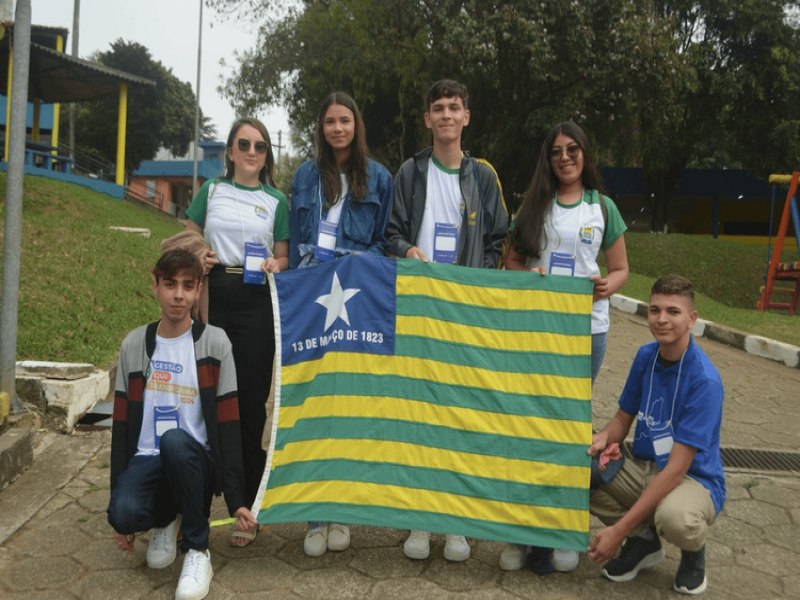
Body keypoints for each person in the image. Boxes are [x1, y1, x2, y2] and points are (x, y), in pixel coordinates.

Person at [386, 78, 508, 562]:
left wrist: (476, 279)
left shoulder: (483, 176)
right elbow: (391, 234)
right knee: (419, 412)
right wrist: (407, 250)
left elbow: (500, 237)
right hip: (417, 309)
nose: (445, 115)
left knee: (459, 412)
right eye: (437, 108)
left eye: (454, 107)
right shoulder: (409, 173)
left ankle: (455, 521)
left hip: (464, 314)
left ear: (466, 117)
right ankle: (418, 517)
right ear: (427, 119)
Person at [501, 121, 629, 573]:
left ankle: (562, 532)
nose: (565, 158)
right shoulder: (534, 206)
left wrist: (604, 287)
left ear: (584, 154)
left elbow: (620, 269)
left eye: (573, 149)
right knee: (528, 427)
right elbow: (513, 262)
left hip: (585, 329)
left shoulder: (603, 207)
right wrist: (527, 277)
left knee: (570, 430)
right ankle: (519, 534)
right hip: (536, 328)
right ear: (548, 160)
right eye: (556, 152)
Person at [107, 249, 257, 600]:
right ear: (155, 286)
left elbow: (229, 422)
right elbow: (121, 427)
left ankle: (197, 549)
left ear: (198, 290)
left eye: (188, 286)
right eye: (170, 284)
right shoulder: (134, 345)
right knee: (123, 512)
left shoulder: (215, 342)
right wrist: (117, 495)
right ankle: (168, 518)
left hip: (195, 459)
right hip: (148, 458)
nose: (178, 295)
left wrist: (237, 500)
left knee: (175, 441)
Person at [289, 92, 393, 557]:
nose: (337, 128)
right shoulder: (306, 176)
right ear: (321, 127)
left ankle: (345, 508)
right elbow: (293, 242)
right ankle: (315, 516)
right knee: (313, 400)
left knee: (351, 401)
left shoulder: (380, 178)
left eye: (344, 120)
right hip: (312, 299)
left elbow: (385, 243)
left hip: (355, 301)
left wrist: (350, 259)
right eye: (329, 121)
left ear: (357, 125)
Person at [185, 117, 289, 546]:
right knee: (206, 400)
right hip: (216, 296)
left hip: (257, 303)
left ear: (267, 156)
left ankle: (246, 506)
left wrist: (273, 265)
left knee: (248, 405)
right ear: (229, 150)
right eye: (243, 144)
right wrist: (200, 254)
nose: (251, 152)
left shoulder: (276, 200)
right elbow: (189, 235)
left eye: (260, 146)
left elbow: (283, 257)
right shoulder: (211, 191)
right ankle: (190, 502)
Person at [587, 274, 725, 595]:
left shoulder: (704, 381)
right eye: (655, 310)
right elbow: (622, 419)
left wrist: (616, 532)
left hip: (693, 480)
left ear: (692, 319)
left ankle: (693, 553)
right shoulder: (645, 356)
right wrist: (603, 440)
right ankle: (644, 542)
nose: (662, 319)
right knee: (581, 464)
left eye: (673, 312)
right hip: (649, 469)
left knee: (674, 518)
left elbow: (677, 469)